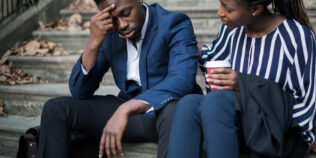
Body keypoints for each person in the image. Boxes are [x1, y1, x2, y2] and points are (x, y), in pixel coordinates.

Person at [36, 0, 201, 157]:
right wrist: (93, 43)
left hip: (164, 113)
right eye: (113, 19)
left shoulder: (174, 23)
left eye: (126, 13)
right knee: (55, 109)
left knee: (176, 110)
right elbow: (80, 91)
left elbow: (182, 80)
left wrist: (126, 108)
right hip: (130, 116)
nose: (121, 25)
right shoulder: (109, 34)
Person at [168, 0, 316, 157]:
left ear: (255, 9)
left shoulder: (296, 36)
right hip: (237, 123)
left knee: (216, 101)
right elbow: (214, 58)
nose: (219, 13)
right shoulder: (231, 31)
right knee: (189, 103)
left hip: (274, 132)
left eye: (228, 9)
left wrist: (241, 83)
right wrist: (183, 40)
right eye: (220, 4)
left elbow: (303, 102)